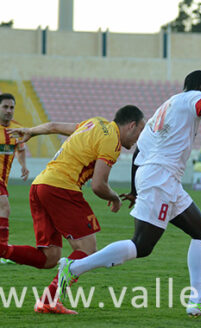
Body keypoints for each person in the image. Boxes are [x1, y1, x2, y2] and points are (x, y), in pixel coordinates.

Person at [57, 70, 201, 317]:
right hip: (161, 177)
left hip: (162, 178)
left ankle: (197, 300)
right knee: (142, 245)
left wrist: (136, 190)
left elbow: (139, 152)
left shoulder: (165, 108)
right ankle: (73, 269)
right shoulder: (193, 98)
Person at [0, 105, 145, 314]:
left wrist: (32, 131)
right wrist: (115, 197)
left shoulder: (94, 121)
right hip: (62, 188)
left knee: (49, 256)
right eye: (140, 130)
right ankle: (49, 299)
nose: (138, 138)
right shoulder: (112, 141)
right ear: (131, 126)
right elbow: (98, 185)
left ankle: (3, 250)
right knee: (87, 248)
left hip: (40, 185)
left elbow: (53, 126)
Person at [0, 93, 29, 264]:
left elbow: (21, 149)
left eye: (11, 107)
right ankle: (3, 249)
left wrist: (23, 165)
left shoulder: (17, 129)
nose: (9, 111)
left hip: (4, 180)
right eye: (5, 107)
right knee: (4, 207)